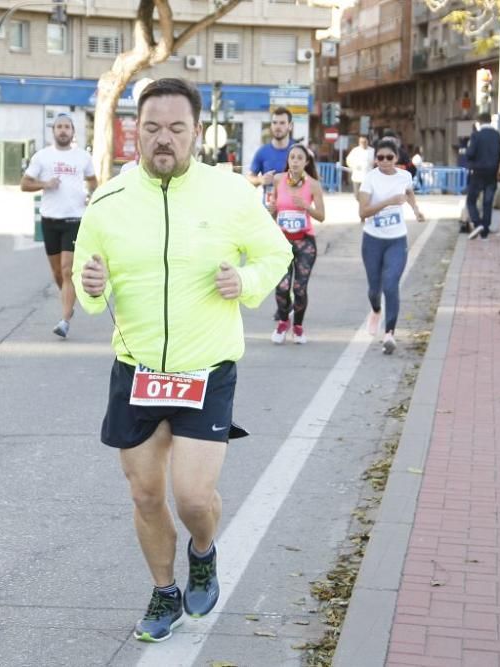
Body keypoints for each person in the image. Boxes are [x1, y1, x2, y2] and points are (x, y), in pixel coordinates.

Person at [73, 78, 291, 643]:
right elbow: (88, 282)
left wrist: (243, 281)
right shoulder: (108, 202)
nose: (162, 139)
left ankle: (202, 551)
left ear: (197, 132)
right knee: (146, 494)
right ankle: (164, 591)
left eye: (175, 128)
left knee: (193, 496)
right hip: (136, 372)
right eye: (151, 128)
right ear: (135, 134)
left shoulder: (231, 195)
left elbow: (276, 252)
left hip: (206, 370)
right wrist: (92, 286)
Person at [21, 113, 98, 338]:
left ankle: (64, 320)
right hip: (50, 219)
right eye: (59, 127)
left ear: (73, 132)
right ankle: (68, 299)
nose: (63, 130)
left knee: (67, 269)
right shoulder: (42, 157)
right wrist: (45, 183)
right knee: (57, 272)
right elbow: (24, 184)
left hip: (75, 218)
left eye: (67, 127)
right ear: (53, 131)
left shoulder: (82, 157)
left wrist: (92, 196)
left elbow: (93, 181)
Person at [358, 137, 426, 355]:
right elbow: (363, 212)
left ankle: (389, 334)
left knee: (391, 284)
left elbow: (408, 192)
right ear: (375, 159)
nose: (385, 161)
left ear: (396, 158)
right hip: (372, 240)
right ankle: (376, 310)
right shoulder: (370, 179)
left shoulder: (405, 176)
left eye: (389, 157)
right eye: (380, 157)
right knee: (374, 289)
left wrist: (416, 210)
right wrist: (387, 202)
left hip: (397, 239)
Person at [268, 145, 325, 344]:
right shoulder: (278, 180)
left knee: (299, 288)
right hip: (281, 242)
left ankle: (298, 327)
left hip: (305, 243)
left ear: (306, 162)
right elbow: (272, 214)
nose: (295, 161)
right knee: (282, 287)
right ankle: (283, 321)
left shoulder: (313, 185)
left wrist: (306, 207)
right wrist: (271, 209)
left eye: (299, 158)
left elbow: (322, 216)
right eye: (292, 157)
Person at [465, 112, 500, 240]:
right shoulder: (499, 135)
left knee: (471, 200)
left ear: (479, 122)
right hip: (494, 173)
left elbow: (470, 153)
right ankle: (485, 232)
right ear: (490, 121)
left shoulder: (476, 135)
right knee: (488, 202)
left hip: (478, 172)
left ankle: (477, 223)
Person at [246, 106, 297, 202]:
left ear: (290, 126)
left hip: (292, 210)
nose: (278, 126)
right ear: (271, 126)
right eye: (274, 123)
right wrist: (261, 180)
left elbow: (311, 180)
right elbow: (249, 179)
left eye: (282, 123)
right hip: (268, 210)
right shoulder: (262, 152)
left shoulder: (298, 151)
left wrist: (290, 178)